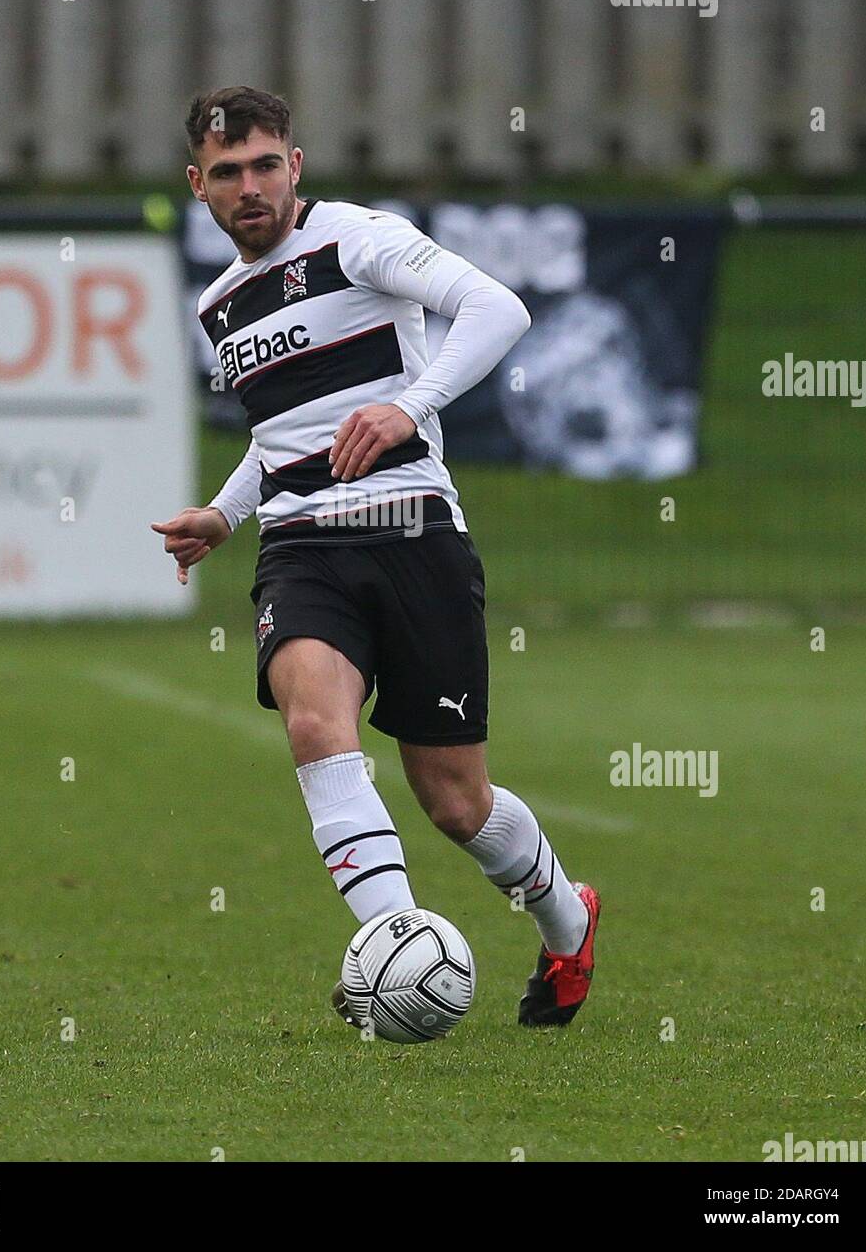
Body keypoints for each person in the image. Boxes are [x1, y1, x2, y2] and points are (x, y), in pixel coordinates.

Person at [152, 86, 600, 1028]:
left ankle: (569, 924)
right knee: (316, 724)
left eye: (266, 164)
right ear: (198, 186)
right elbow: (279, 432)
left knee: (455, 802)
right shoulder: (219, 305)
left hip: (414, 537)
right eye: (228, 173)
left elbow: (498, 309)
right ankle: (396, 954)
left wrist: (410, 405)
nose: (251, 187)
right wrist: (229, 516)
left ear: (296, 166)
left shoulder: (358, 238)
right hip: (302, 549)